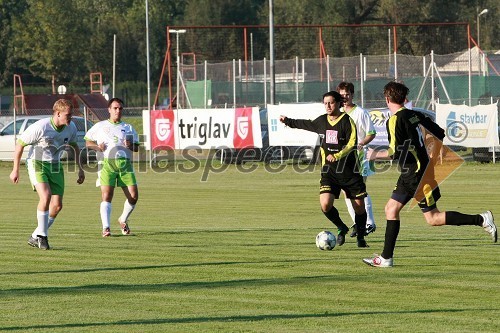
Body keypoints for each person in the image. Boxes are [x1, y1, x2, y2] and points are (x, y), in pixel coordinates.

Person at [363, 81, 497, 267]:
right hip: (411, 173)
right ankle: (386, 258)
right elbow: (439, 133)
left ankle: (481, 219)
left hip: (417, 176)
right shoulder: (414, 114)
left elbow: (393, 151)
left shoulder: (394, 120)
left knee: (433, 218)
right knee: (391, 209)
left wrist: (373, 155)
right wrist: (431, 151)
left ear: (387, 99)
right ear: (405, 98)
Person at [280, 91, 369, 247]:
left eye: (331, 102)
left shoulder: (347, 121)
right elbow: (305, 124)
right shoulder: (322, 121)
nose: (328, 106)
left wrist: (338, 155)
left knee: (359, 208)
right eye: (325, 103)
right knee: (325, 205)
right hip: (329, 172)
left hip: (350, 172)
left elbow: (352, 143)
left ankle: (361, 237)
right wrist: (288, 121)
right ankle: (341, 227)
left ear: (339, 103)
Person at [9, 99, 85, 250]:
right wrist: (15, 169)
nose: (71, 118)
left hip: (56, 166)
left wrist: (80, 169)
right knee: (46, 196)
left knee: (56, 206)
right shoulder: (41, 127)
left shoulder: (71, 128)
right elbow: (20, 144)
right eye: (68, 115)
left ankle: (35, 236)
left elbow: (75, 147)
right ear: (58, 113)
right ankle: (43, 237)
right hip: (37, 163)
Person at [84, 97, 139, 237]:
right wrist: (97, 147)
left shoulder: (128, 128)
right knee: (107, 195)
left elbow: (136, 148)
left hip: (124, 164)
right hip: (106, 163)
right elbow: (88, 142)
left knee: (133, 196)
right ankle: (106, 228)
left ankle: (123, 219)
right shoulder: (100, 126)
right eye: (115, 108)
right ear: (109, 110)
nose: (118, 110)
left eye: (120, 108)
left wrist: (130, 145)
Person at [337, 81, 377, 238]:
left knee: (359, 190)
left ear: (352, 95)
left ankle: (369, 223)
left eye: (347, 94)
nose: (345, 97)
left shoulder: (360, 112)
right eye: (342, 95)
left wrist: (361, 143)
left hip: (359, 157)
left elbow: (371, 133)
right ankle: (357, 223)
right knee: (346, 191)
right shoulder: (338, 113)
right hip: (344, 158)